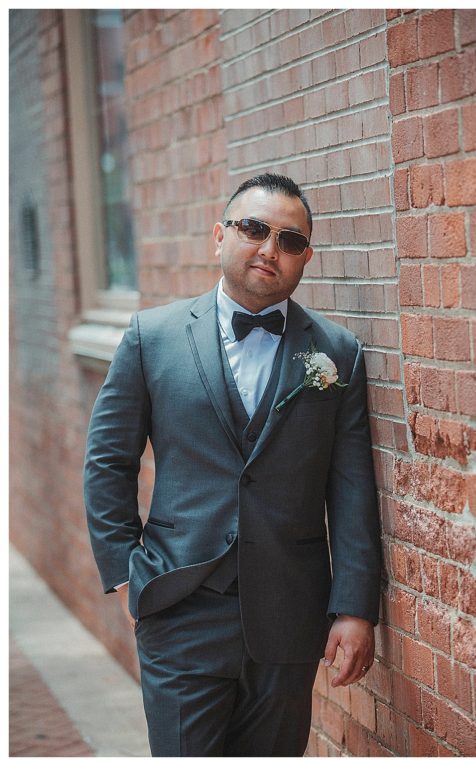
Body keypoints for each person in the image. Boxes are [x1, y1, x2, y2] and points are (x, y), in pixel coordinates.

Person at [84, 173, 382, 756]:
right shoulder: (153, 337)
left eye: (290, 241)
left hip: (289, 617)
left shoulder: (336, 353)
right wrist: (125, 574)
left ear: (306, 259)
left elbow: (351, 490)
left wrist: (354, 608)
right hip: (178, 605)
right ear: (218, 237)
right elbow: (107, 461)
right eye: (253, 229)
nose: (270, 249)